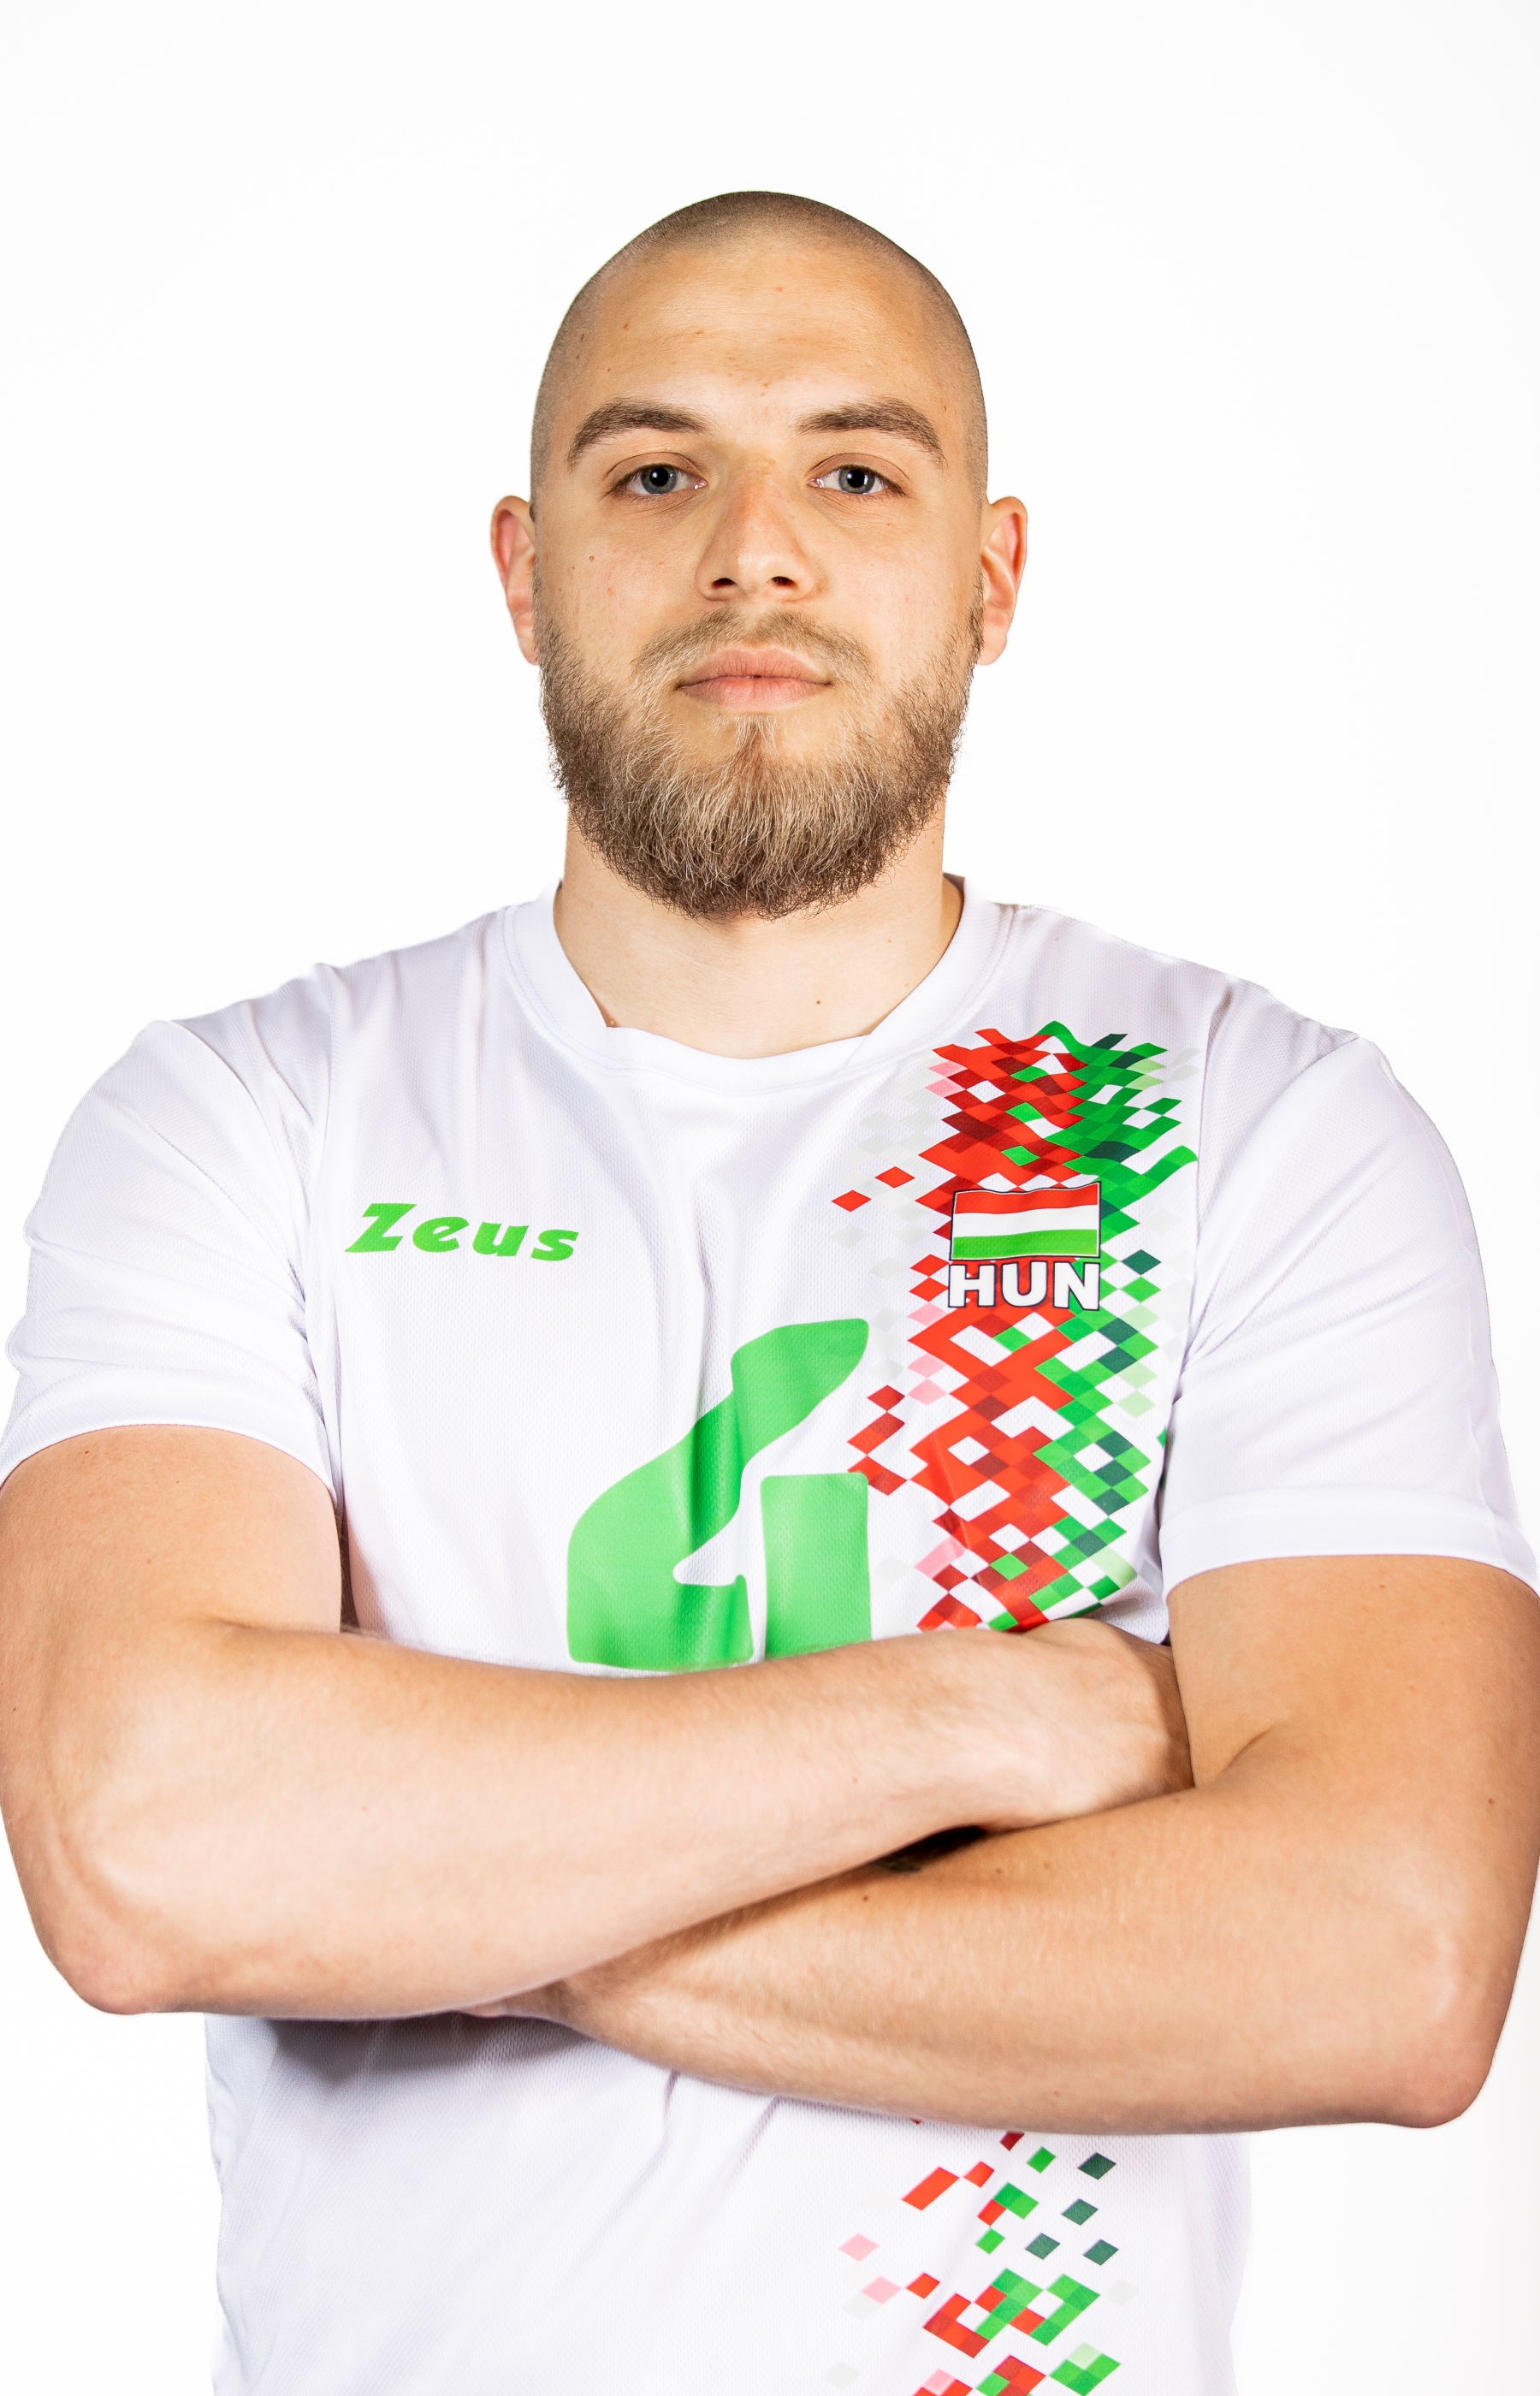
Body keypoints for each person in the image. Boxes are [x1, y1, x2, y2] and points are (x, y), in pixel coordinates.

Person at [0, 189, 1535, 2396]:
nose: (755, 555)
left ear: (991, 578)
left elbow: (1383, 1961)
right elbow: (150, 1846)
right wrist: (983, 1715)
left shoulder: (1253, 1123)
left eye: (854, 472)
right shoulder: (248, 1118)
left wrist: (422, 1901)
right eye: (654, 474)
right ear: (524, 574)